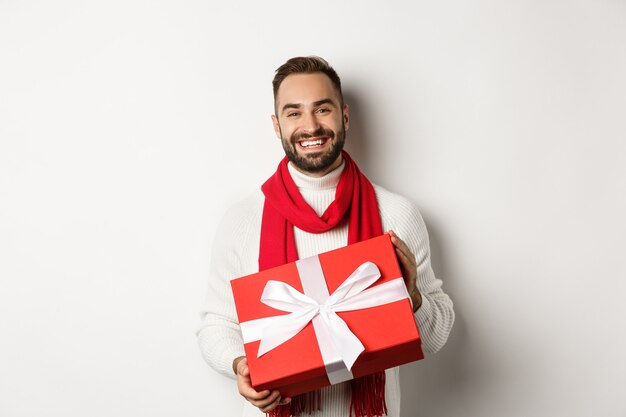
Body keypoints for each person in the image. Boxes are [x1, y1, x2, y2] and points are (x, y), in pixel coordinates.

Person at [197, 56, 455, 417]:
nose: (310, 126)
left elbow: (435, 338)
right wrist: (241, 364)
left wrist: (411, 298)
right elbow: (215, 325)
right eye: (294, 113)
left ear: (344, 116)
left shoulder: (396, 215)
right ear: (276, 125)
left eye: (322, 109)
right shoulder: (243, 219)